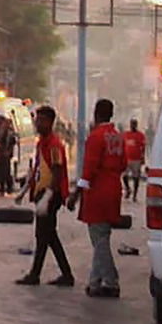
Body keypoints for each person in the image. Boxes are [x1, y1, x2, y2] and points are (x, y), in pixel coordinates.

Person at [68, 98, 125, 298]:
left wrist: (76, 193)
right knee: (102, 237)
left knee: (99, 240)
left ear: (96, 113)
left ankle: (111, 281)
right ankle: (95, 281)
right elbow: (123, 164)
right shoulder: (118, 136)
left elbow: (89, 168)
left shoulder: (96, 137)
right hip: (114, 189)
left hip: (98, 191)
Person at [15, 105, 75, 287]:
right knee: (46, 236)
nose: (37, 124)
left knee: (45, 235)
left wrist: (48, 196)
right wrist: (25, 190)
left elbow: (57, 172)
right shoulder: (42, 142)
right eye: (36, 120)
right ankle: (57, 274)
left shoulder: (55, 144)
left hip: (51, 193)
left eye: (41, 120)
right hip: (43, 193)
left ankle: (41, 274)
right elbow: (37, 168)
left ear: (50, 122)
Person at [122, 119, 146, 202]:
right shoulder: (126, 134)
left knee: (136, 177)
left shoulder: (140, 135)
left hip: (136, 159)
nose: (133, 126)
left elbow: (143, 147)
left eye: (134, 124)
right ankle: (128, 189)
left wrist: (143, 158)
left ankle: (135, 195)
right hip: (127, 158)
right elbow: (122, 145)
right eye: (132, 124)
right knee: (124, 175)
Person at [0, 120, 17, 196]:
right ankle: (2, 190)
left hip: (6, 156)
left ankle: (9, 188)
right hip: (0, 155)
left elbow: (12, 144)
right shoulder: (0, 132)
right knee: (1, 173)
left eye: (6, 123)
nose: (4, 125)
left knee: (7, 173)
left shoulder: (11, 133)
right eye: (4, 123)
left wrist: (8, 152)